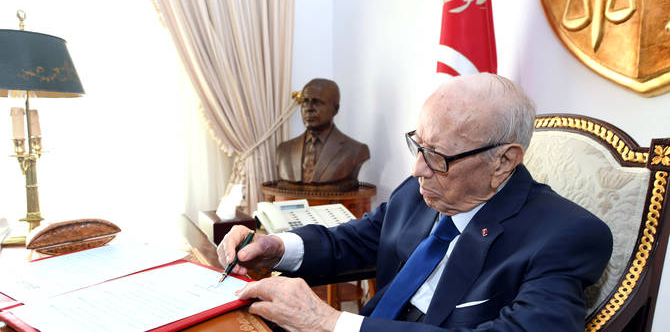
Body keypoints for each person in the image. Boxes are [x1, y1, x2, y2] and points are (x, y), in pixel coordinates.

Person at [218, 72, 613, 332]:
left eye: (439, 156)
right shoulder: (422, 191)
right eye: (419, 145)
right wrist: (276, 248)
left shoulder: (566, 235)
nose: (418, 168)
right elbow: (352, 242)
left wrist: (332, 323)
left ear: (504, 161)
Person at [276, 78, 370, 190]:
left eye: (317, 102)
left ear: (335, 109)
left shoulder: (356, 151)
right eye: (305, 102)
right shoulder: (284, 150)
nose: (309, 109)